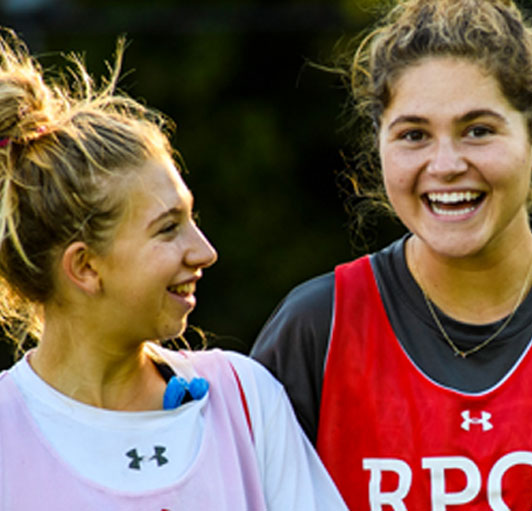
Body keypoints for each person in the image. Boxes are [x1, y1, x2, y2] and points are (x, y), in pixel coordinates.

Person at [250, 0, 532, 509]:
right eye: (414, 135)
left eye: (478, 130)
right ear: (379, 145)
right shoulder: (317, 330)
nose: (446, 164)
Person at [0, 29, 348, 510]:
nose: (204, 251)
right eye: (167, 229)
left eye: (191, 218)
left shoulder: (245, 399)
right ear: (85, 266)